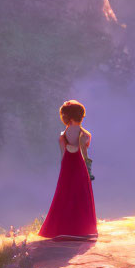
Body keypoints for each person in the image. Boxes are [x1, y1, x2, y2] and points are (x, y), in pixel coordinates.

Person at [38, 99, 98, 240]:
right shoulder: (84, 134)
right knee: (81, 194)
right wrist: (89, 170)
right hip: (79, 164)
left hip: (67, 165)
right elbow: (85, 153)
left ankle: (63, 228)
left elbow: (63, 154)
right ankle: (83, 229)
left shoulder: (63, 134)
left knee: (65, 193)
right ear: (80, 115)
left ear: (67, 116)